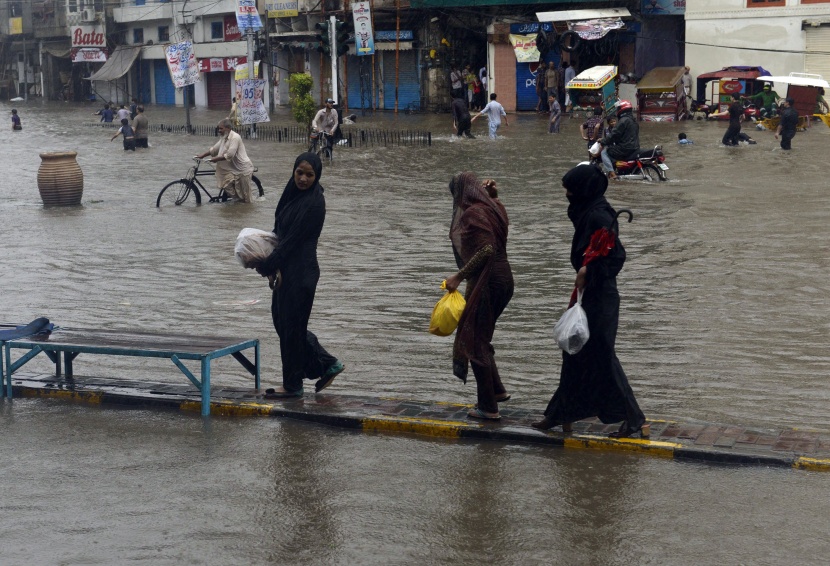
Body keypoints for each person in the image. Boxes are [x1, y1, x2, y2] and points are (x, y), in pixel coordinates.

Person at [531, 164, 646, 437]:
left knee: (602, 357)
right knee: (573, 351)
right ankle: (560, 414)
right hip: (587, 295)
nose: (567, 194)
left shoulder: (598, 215)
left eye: (570, 189)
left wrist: (588, 270)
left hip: (601, 296)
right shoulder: (588, 211)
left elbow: (615, 256)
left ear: (583, 190)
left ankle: (634, 418)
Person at [254, 152, 345, 398]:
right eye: (299, 173)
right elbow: (279, 231)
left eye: (309, 175)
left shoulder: (314, 203)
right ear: (293, 171)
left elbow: (292, 241)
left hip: (302, 272)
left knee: (292, 327)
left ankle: (294, 384)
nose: (303, 179)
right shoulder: (291, 194)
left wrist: (267, 265)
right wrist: (268, 259)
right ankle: (326, 364)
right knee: (283, 323)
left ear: (317, 177)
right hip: (287, 268)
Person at [445, 173, 514, 420]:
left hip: (488, 282)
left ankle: (488, 408)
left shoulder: (474, 213)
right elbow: (500, 217)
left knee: (474, 341)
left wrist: (459, 276)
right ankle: (496, 391)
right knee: (480, 336)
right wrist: (494, 197)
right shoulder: (493, 208)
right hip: (504, 279)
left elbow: (486, 249)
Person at [195, 118, 255, 203]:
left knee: (246, 197)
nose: (219, 130)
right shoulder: (224, 138)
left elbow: (230, 154)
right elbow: (214, 150)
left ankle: (245, 208)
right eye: (218, 128)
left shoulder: (235, 137)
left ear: (228, 128)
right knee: (226, 183)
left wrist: (216, 159)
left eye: (221, 128)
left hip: (243, 168)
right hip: (232, 167)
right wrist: (202, 155)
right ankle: (237, 201)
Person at [598, 100, 639, 180]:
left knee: (604, 152)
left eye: (618, 108)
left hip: (625, 148)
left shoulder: (623, 121)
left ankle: (612, 174)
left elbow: (614, 134)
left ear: (622, 109)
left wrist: (603, 141)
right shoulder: (633, 120)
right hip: (634, 147)